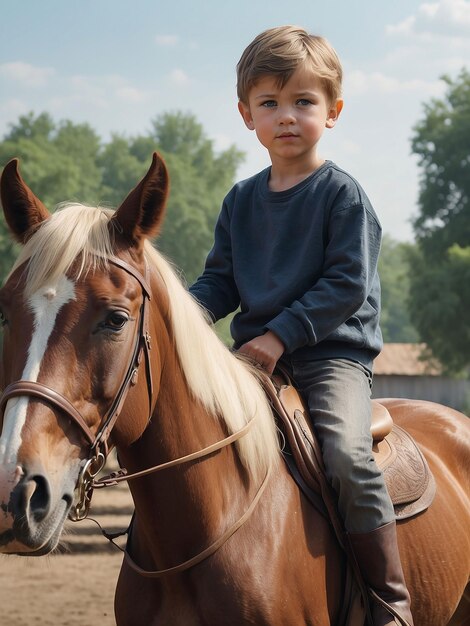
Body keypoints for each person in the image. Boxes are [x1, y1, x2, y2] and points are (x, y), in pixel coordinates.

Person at [189, 25, 413, 626]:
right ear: (246, 115)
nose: (286, 116)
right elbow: (221, 282)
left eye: (304, 102)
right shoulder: (240, 201)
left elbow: (345, 287)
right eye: (270, 103)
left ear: (332, 112)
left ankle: (390, 601)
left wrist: (279, 334)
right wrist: (183, 317)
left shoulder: (343, 197)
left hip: (329, 355)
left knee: (345, 456)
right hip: (256, 358)